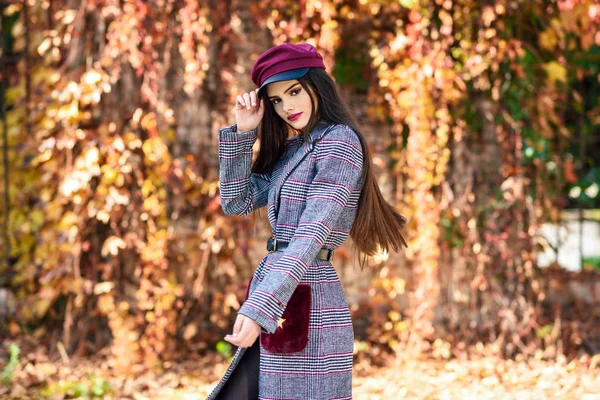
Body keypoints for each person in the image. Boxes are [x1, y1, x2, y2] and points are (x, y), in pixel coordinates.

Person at [206, 43, 407, 400]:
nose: (288, 107)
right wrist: (242, 133)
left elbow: (310, 235)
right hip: (285, 292)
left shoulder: (340, 143)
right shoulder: (296, 149)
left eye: (294, 91)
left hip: (307, 298)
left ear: (318, 85)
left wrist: (260, 308)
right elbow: (237, 201)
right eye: (278, 101)